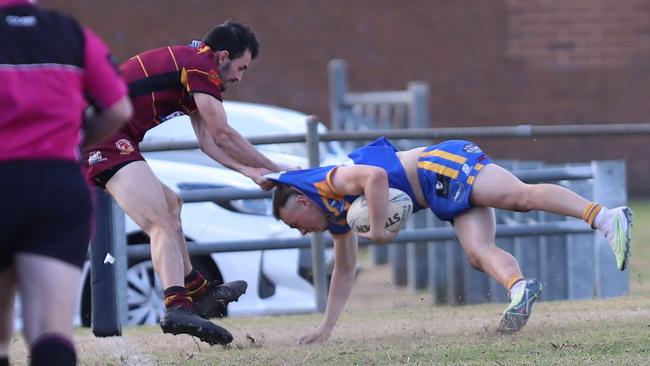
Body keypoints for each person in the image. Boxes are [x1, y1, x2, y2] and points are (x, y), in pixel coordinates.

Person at [268, 137, 633, 343]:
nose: (300, 231)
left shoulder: (331, 182)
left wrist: (378, 229)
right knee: (477, 252)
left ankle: (604, 217)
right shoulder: (337, 218)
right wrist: (327, 328)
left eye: (294, 223)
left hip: (439, 166)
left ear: (301, 201)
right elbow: (345, 270)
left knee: (518, 198)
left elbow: (376, 176)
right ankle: (520, 288)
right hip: (437, 192)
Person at [83, 20, 283, 345]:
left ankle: (199, 291)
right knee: (160, 221)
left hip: (115, 139)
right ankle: (177, 307)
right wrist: (275, 170)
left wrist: (248, 172)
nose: (239, 77)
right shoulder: (200, 65)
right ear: (222, 57)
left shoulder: (194, 69)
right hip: (103, 141)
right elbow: (223, 133)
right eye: (241, 68)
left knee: (173, 204)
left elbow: (208, 142)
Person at [0, 0, 133, 365]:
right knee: (49, 331)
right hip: (56, 185)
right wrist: (75, 141)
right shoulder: (71, 34)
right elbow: (119, 108)